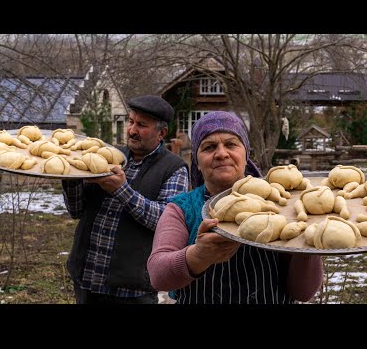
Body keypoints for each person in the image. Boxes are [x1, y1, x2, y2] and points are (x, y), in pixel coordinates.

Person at [147, 111, 323, 304]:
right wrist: (198, 256)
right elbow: (158, 276)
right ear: (197, 162)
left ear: (246, 155)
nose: (222, 153)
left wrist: (307, 244)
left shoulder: (282, 205)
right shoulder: (182, 209)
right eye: (209, 147)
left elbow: (303, 293)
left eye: (231, 144)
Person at [62, 95, 189, 304]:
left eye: (142, 125)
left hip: (132, 290)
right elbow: (76, 211)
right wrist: (70, 178)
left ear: (161, 133)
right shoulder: (110, 155)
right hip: (86, 278)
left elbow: (166, 221)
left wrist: (122, 190)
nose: (132, 130)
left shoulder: (174, 169)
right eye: (131, 121)